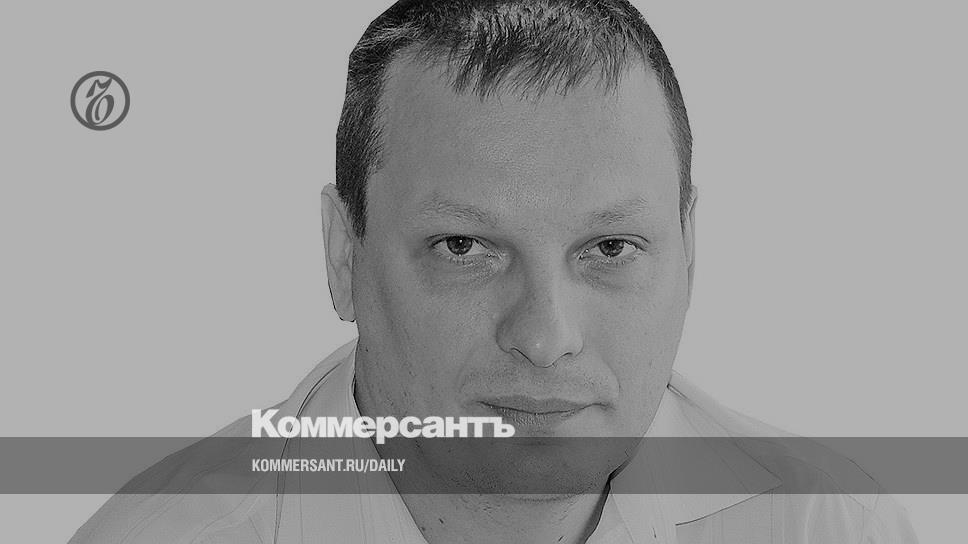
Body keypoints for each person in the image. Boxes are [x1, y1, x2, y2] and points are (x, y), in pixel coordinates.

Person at [71, 1, 919, 542]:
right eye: (463, 248)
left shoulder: (830, 527)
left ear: (690, 250)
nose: (546, 338)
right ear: (343, 255)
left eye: (610, 249)